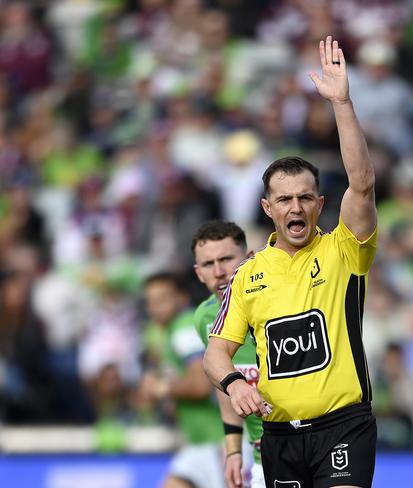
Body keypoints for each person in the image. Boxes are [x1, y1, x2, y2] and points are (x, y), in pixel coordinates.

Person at [203, 35, 378, 488]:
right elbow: (216, 353)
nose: (295, 208)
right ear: (268, 208)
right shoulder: (248, 274)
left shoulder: (344, 248)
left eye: (304, 198)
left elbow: (361, 184)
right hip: (279, 437)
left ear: (320, 204)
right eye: (284, 199)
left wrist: (341, 103)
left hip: (344, 426)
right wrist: (234, 386)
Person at [191, 220, 265, 488]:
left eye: (226, 259)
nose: (219, 272)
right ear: (199, 273)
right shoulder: (204, 318)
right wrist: (233, 450)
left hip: (311, 442)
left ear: (248, 259)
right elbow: (225, 386)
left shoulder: (275, 302)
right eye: (208, 265)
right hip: (262, 456)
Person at [139, 272, 226, 488]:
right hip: (204, 441)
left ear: (182, 298)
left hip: (216, 441)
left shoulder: (185, 329)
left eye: (162, 299)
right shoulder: (168, 333)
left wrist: (159, 388)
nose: (154, 307)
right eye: (150, 302)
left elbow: (201, 385)